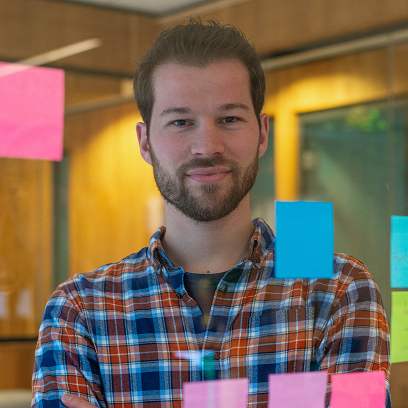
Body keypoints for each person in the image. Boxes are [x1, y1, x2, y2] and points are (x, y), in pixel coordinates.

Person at [32, 19, 391, 408]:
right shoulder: (81, 308)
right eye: (180, 122)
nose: (207, 145)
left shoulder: (339, 290)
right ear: (145, 142)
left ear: (262, 134)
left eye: (229, 119)